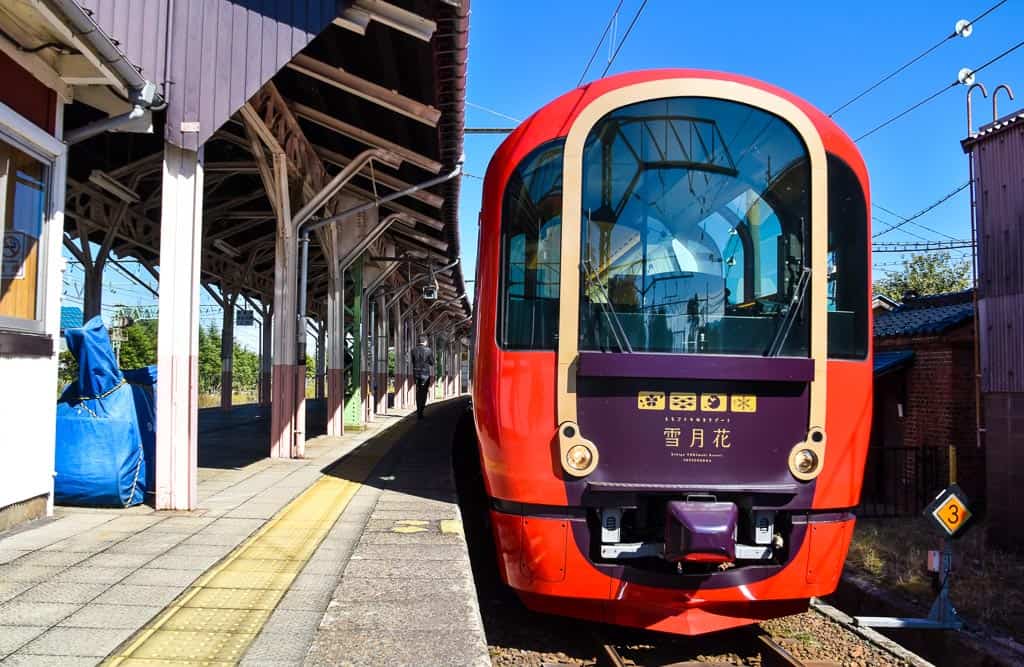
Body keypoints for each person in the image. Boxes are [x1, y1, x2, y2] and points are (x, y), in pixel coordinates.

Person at [410, 335, 434, 419]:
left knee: (418, 392)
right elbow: (432, 362)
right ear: (425, 341)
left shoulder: (413, 350)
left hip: (416, 373)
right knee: (424, 393)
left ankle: (418, 411)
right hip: (425, 374)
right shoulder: (429, 350)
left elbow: (413, 361)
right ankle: (421, 410)